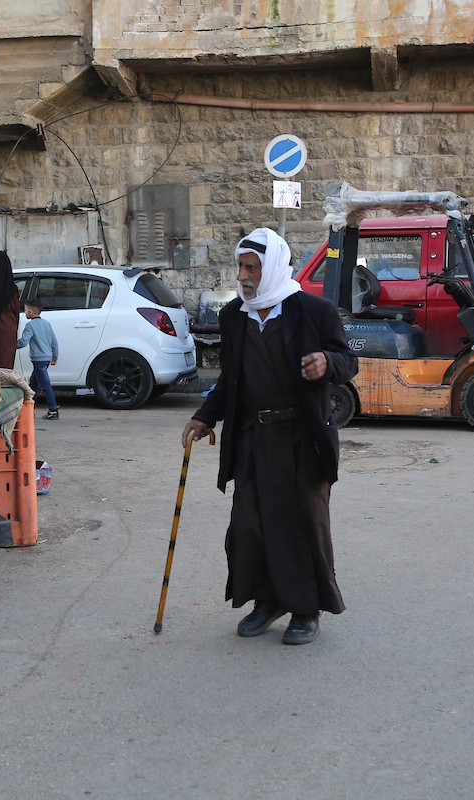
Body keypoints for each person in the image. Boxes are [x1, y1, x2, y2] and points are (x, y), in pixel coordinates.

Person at [181, 227, 358, 646]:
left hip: (302, 436)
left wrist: (326, 363)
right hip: (252, 437)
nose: (242, 276)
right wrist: (205, 416)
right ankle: (266, 600)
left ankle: (305, 609)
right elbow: (230, 380)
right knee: (251, 523)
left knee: (302, 524)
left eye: (252, 268)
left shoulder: (314, 312)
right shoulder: (234, 317)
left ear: (274, 269)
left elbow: (349, 361)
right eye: (240, 267)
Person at [16, 299, 60, 419]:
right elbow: (54, 341)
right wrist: (55, 356)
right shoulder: (47, 324)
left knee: (45, 385)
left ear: (30, 312)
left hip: (38, 359)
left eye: (25, 310)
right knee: (33, 385)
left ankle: (53, 410)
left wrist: (10, 344)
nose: (24, 312)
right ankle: (29, 410)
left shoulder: (30, 325)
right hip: (46, 359)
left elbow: (23, 342)